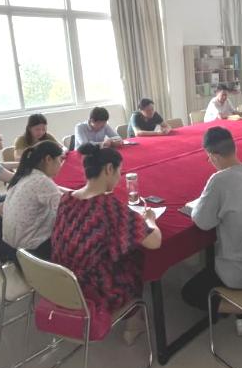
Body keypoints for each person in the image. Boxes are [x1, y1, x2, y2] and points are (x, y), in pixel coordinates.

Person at [52, 144, 162, 345]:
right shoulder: (108, 207)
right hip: (93, 289)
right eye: (120, 171)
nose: (120, 177)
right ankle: (133, 323)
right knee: (135, 259)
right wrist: (150, 220)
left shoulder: (67, 198)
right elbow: (154, 242)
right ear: (109, 169)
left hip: (62, 280)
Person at [182, 127, 242, 337]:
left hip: (240, 273)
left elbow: (202, 222)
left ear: (214, 156)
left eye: (209, 158)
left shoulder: (218, 180)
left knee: (190, 293)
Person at [3, 141, 65, 261]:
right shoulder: (42, 181)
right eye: (60, 160)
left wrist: (72, 192)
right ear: (48, 159)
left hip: (12, 250)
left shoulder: (25, 175)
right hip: (32, 254)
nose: (61, 165)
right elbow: (67, 209)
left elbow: (56, 191)